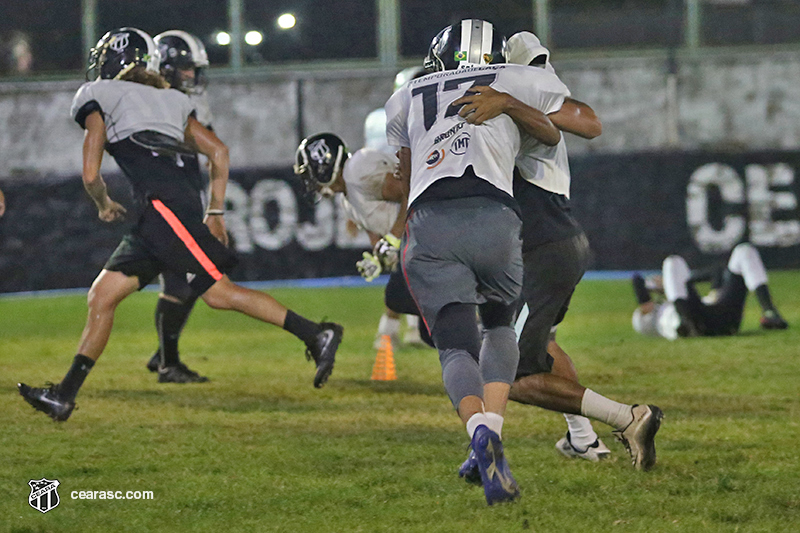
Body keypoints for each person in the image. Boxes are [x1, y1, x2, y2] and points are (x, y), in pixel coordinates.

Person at [17, 27, 343, 422]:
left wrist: (103, 203)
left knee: (218, 294)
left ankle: (316, 334)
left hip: (162, 209)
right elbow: (218, 152)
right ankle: (63, 397)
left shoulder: (97, 95)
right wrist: (216, 211)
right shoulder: (172, 99)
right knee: (102, 296)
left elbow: (90, 174)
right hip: (163, 210)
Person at [451, 31, 663, 472]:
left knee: (504, 371)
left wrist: (510, 100)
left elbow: (589, 122)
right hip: (552, 240)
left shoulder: (521, 85)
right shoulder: (517, 94)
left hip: (542, 244)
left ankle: (627, 417)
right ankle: (584, 440)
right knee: (542, 344)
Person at [386, 19, 570, 505]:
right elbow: (553, 136)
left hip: (432, 223)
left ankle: (477, 433)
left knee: (454, 349)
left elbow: (404, 176)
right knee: (500, 329)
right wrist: (509, 103)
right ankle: (493, 429)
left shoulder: (406, 94)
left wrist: (403, 233)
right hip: (496, 219)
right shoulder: (514, 78)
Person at [293, 133, 433, 353]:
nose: (309, 181)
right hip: (419, 245)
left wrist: (395, 238)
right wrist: (379, 256)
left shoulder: (357, 171)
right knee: (427, 325)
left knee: (402, 299)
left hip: (432, 236)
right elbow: (375, 227)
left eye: (310, 172)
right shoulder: (347, 196)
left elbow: (411, 191)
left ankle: (480, 326)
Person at [141, 30, 216, 383]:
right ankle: (167, 361)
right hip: (166, 203)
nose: (191, 75)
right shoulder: (147, 101)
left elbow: (210, 150)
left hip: (183, 199)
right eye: (185, 68)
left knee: (188, 283)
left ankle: (164, 355)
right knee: (183, 285)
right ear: (166, 68)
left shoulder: (190, 104)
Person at [363, 66, 428, 349]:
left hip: (403, 194)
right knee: (405, 263)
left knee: (414, 263)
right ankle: (388, 331)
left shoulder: (390, 118)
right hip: (398, 196)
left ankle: (408, 329)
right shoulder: (393, 120)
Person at [632, 242, 788, 339]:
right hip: (693, 325)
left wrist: (674, 281)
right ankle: (687, 323)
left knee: (744, 251)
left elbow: (717, 271)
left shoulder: (677, 298)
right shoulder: (652, 319)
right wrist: (659, 284)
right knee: (672, 262)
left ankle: (769, 312)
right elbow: (637, 282)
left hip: (720, 320)